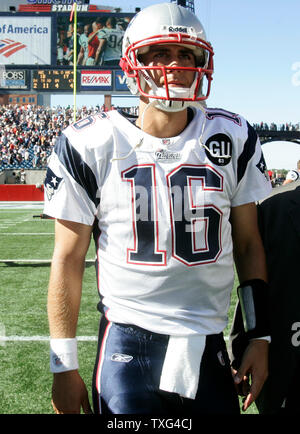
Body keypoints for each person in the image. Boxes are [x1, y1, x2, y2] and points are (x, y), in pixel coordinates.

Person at [44, 3, 272, 415]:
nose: (175, 65)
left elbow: (249, 244)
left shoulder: (232, 136)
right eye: (161, 53)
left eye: (187, 54)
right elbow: (67, 258)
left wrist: (259, 336)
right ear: (134, 63)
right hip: (128, 340)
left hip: (207, 340)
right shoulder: (90, 141)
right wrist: (63, 364)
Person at [229, 180, 300, 414]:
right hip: (286, 363)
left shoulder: (275, 211)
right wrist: (243, 346)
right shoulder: (273, 213)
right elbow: (254, 280)